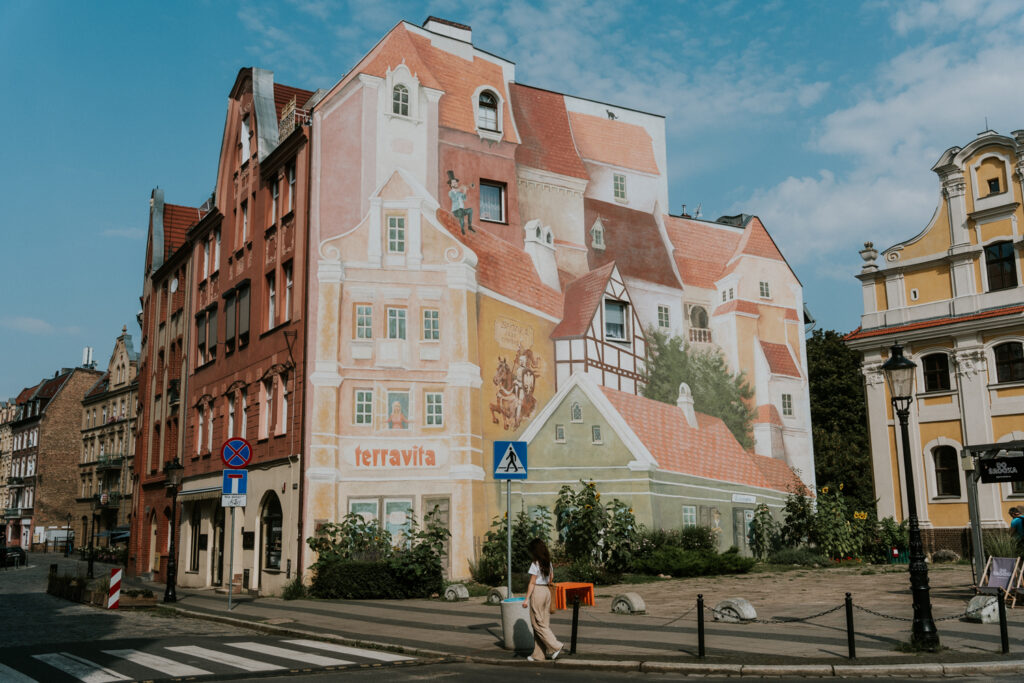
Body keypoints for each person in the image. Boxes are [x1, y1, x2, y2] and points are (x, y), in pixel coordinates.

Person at [522, 538, 563, 662]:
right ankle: (538, 655)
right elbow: (551, 578)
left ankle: (556, 646)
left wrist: (526, 599)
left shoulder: (535, 563)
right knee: (544, 623)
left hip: (538, 592)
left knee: (537, 623)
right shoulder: (547, 562)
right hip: (547, 592)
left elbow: (532, 582)